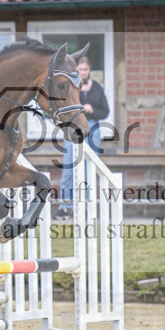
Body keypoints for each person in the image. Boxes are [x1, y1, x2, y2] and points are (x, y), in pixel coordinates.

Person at [56, 56, 108, 218]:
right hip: (73, 127)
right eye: (80, 70)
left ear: (89, 70)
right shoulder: (69, 86)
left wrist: (92, 110)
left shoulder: (97, 87)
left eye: (85, 69)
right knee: (68, 168)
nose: (83, 72)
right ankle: (65, 206)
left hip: (93, 129)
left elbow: (105, 111)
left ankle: (85, 206)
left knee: (88, 169)